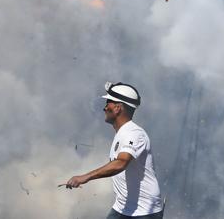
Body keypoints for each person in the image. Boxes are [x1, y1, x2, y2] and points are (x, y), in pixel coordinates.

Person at [63, 82, 165, 219]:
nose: (105, 108)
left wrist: (85, 177)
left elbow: (121, 163)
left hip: (144, 212)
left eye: (108, 103)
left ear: (117, 108)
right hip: (122, 208)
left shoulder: (134, 133)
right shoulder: (122, 133)